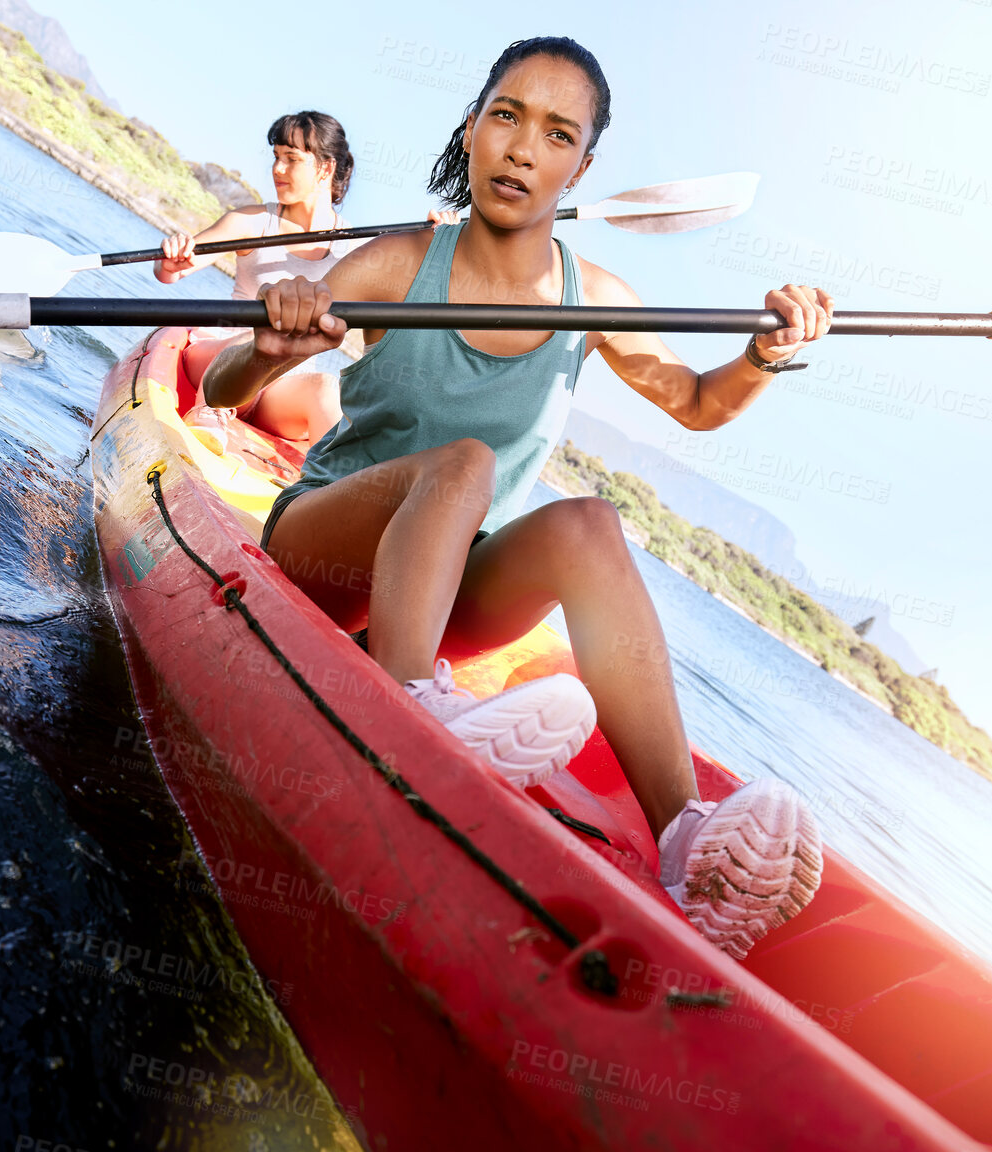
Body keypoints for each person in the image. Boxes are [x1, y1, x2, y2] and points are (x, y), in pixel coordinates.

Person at [198, 37, 830, 960]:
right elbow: (221, 386)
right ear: (473, 127)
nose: (524, 147)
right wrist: (272, 338)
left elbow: (695, 402)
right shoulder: (395, 262)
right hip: (326, 552)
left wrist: (766, 356)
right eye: (506, 115)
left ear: (582, 164)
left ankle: (683, 838)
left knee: (588, 522)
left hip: (447, 589)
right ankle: (412, 703)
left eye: (557, 132)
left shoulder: (594, 296)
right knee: (462, 465)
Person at [154, 110, 456, 452]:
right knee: (256, 332)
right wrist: (173, 257)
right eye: (276, 158)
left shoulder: (356, 250)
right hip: (215, 367)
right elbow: (172, 272)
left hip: (278, 389)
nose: (278, 169)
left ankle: (324, 483)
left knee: (326, 389)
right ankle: (209, 414)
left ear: (325, 168)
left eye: (291, 159)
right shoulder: (251, 222)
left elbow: (415, 285)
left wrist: (432, 239)